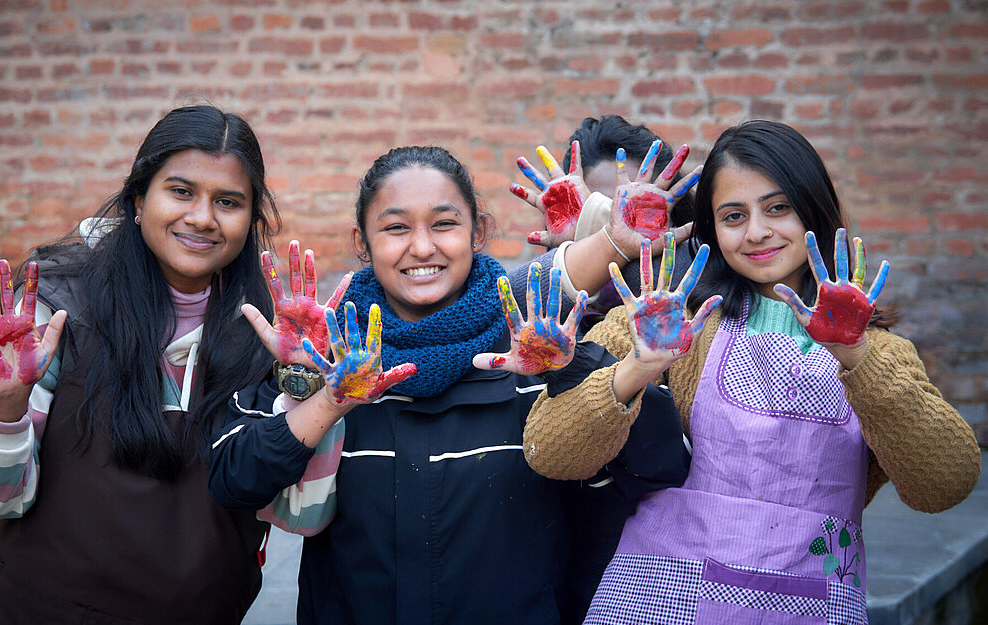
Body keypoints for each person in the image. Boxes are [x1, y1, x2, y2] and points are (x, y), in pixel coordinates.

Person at [521, 120, 981, 624]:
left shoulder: (876, 350)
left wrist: (857, 357)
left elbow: (946, 486)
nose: (758, 232)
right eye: (734, 215)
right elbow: (550, 453)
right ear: (712, 231)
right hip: (661, 603)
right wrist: (636, 368)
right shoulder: (666, 318)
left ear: (815, 208)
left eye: (778, 208)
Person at [208, 146, 691, 625]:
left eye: (444, 224)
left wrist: (569, 366)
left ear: (477, 231)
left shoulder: (536, 346)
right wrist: (329, 400)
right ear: (363, 241)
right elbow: (235, 480)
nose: (421, 248)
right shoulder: (330, 355)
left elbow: (661, 465)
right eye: (396, 227)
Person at [0, 105, 280, 624]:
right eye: (181, 191)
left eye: (228, 201)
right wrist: (6, 405)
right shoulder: (56, 308)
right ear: (138, 199)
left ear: (251, 221)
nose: (202, 217)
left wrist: (316, 397)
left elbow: (304, 515)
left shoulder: (266, 336)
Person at [511, 115, 701, 330]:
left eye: (636, 212)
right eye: (600, 210)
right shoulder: (544, 305)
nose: (617, 225)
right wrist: (584, 247)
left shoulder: (706, 293)